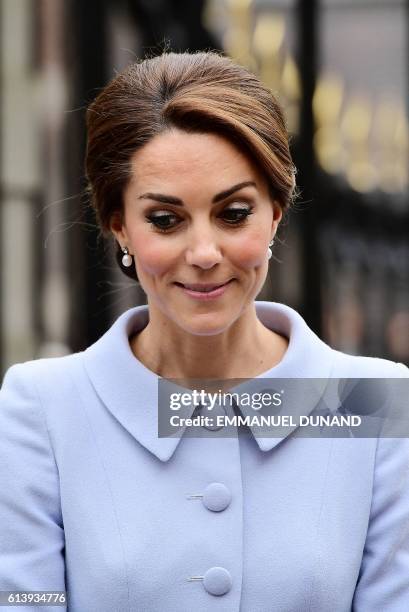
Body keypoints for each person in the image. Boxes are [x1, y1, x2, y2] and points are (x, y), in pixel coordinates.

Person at [0, 50, 408, 612]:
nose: (203, 254)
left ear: (275, 213)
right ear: (119, 224)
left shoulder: (371, 403)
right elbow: (25, 601)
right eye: (164, 220)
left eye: (234, 213)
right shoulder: (42, 408)